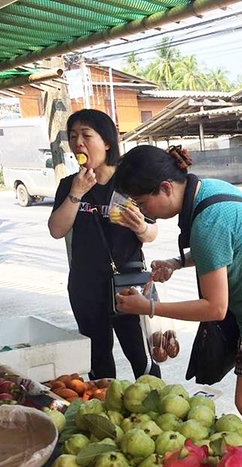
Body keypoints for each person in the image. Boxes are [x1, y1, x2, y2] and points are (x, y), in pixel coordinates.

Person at [113, 145, 242, 450]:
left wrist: (149, 306)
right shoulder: (210, 190)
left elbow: (215, 308)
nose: (143, 213)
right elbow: (225, 248)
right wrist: (177, 263)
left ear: (165, 188)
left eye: (142, 203)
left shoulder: (207, 222)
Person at [48, 109, 160, 380]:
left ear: (107, 142)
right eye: (73, 136)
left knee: (141, 357)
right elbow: (56, 229)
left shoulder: (129, 182)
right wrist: (77, 193)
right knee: (98, 359)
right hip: (85, 285)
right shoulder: (68, 185)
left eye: (87, 135)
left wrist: (140, 227)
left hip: (127, 284)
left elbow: (152, 231)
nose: (78, 143)